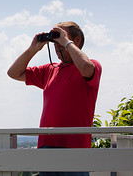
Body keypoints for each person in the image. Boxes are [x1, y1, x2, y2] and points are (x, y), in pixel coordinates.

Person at [7, 21, 102, 176]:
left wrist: (65, 42)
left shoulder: (92, 65)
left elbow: (85, 69)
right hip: (46, 147)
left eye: (60, 37)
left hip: (76, 149)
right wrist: (33, 49)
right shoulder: (49, 70)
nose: (57, 45)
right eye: (55, 40)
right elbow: (13, 73)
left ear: (76, 40)